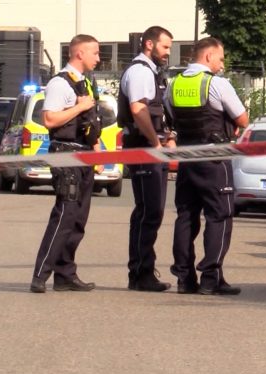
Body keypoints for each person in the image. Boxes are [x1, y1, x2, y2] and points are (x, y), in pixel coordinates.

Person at [166, 37, 249, 295]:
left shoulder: (174, 84)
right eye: (221, 58)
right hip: (214, 159)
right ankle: (211, 278)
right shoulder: (217, 84)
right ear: (208, 57)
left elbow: (170, 117)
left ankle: (184, 278)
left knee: (186, 216)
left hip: (188, 158)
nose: (222, 64)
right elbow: (243, 118)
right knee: (219, 216)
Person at [30, 34, 102, 293]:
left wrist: (97, 151)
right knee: (64, 216)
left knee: (78, 219)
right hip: (66, 155)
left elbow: (89, 122)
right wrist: (79, 106)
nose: (99, 58)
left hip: (84, 156)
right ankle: (40, 276)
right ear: (79, 53)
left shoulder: (85, 82)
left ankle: (65, 275)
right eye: (95, 52)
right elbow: (49, 119)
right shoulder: (60, 84)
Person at [117, 26, 174, 292]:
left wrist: (167, 136)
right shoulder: (140, 71)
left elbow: (155, 112)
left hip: (151, 147)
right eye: (165, 47)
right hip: (143, 148)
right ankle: (140, 273)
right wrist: (154, 142)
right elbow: (139, 110)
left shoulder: (152, 72)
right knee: (148, 211)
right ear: (149, 44)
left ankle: (143, 271)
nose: (168, 53)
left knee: (152, 211)